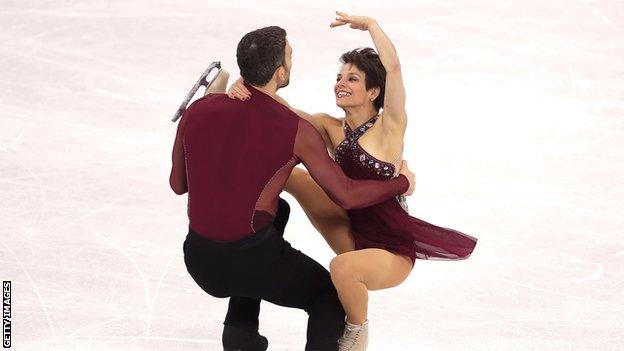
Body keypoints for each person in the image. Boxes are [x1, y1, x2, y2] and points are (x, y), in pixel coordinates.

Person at [227, 12, 478, 351]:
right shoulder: (332, 127)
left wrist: (373, 26)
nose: (340, 83)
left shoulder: (389, 128)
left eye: (353, 78)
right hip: (350, 231)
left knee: (342, 269)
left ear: (374, 91)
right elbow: (284, 114)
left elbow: (395, 70)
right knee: (294, 176)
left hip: (389, 249)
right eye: (339, 76)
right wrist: (247, 89)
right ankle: (255, 237)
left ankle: (356, 334)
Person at [169, 25, 415, 351]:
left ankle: (240, 332)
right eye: (290, 56)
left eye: (352, 78)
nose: (341, 82)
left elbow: (178, 185)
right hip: (256, 257)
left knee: (278, 208)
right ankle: (245, 329)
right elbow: (345, 195)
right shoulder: (305, 128)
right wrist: (402, 183)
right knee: (328, 296)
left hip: (198, 260)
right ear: (281, 71)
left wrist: (230, 90)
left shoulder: (197, 111)